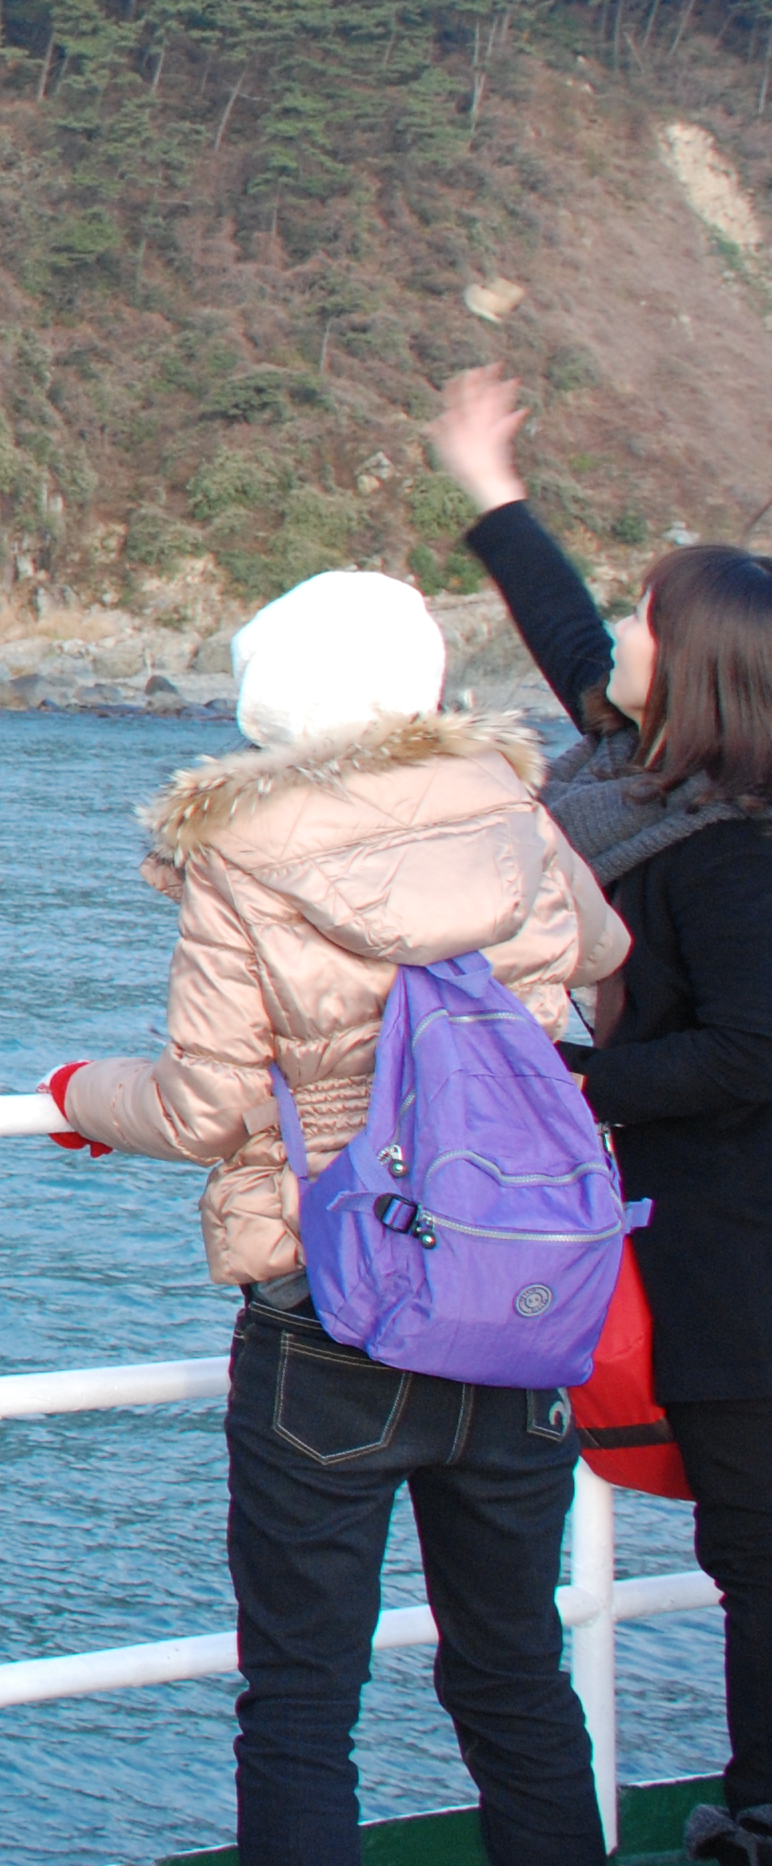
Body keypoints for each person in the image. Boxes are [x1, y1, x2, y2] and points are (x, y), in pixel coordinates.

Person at [48, 567, 627, 1865]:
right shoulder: (513, 806)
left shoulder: (242, 848)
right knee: (517, 1672)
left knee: (304, 1701)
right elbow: (600, 951)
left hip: (334, 1302)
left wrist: (80, 1091)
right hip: (514, 1292)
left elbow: (206, 1106)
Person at [432, 367, 772, 1864]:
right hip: (710, 1243)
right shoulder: (643, 779)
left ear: (693, 671)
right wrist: (491, 487)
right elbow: (570, 639)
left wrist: (558, 1083)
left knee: (757, 1551)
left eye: (648, 619)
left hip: (747, 1261)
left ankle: (758, 1812)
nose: (619, 636)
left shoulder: (732, 849)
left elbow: (751, 1052)